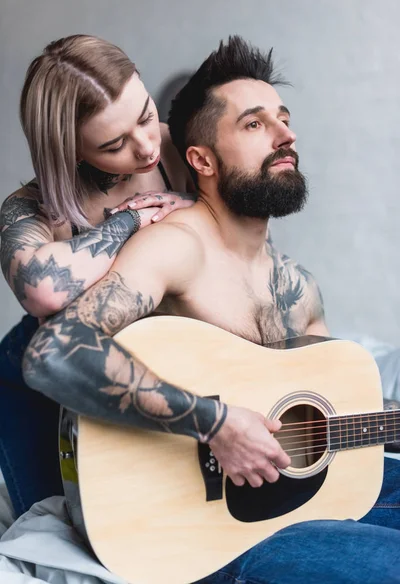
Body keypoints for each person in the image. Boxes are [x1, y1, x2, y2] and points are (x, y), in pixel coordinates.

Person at [23, 36, 400, 583]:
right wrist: (217, 424)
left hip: (287, 504)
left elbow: (334, 415)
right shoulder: (177, 246)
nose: (285, 135)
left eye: (284, 119)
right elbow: (51, 355)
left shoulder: (300, 287)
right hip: (202, 530)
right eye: (254, 125)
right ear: (198, 158)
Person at [0, 34, 196, 517]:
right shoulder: (30, 207)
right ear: (71, 151)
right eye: (114, 144)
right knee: (59, 525)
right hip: (40, 381)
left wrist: (190, 209)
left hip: (152, 366)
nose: (147, 145)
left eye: (147, 115)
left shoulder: (180, 148)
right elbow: (44, 290)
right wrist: (132, 219)